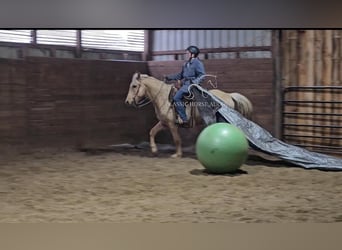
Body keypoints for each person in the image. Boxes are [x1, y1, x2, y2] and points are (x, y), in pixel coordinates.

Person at [165, 45, 206, 127]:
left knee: (176, 97)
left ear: (193, 55)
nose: (186, 55)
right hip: (185, 85)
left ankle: (184, 119)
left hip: (191, 85)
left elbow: (202, 75)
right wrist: (169, 77)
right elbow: (180, 75)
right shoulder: (186, 64)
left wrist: (194, 82)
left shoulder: (197, 63)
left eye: (187, 53)